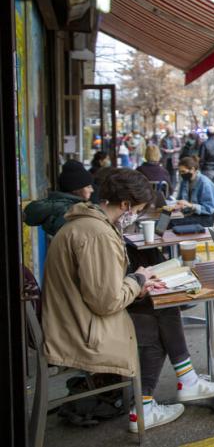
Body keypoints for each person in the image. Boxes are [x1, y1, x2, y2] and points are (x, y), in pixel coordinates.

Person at [40, 169, 171, 430]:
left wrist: (136, 282)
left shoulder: (86, 223)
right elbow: (106, 302)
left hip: (72, 318)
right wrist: (138, 281)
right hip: (80, 331)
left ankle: (178, 385)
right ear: (125, 205)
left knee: (164, 314)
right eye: (138, 210)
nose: (135, 216)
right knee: (160, 327)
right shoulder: (98, 234)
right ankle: (143, 409)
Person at [24, 160, 95, 237]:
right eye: (88, 187)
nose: (92, 190)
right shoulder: (71, 211)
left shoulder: (60, 205)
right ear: (76, 189)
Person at [173, 156, 214, 226]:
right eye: (180, 172)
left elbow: (209, 209)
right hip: (190, 213)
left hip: (206, 217)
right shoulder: (185, 181)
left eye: (183, 171)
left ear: (192, 169)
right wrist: (178, 205)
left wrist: (190, 205)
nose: (181, 174)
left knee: (173, 223)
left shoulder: (205, 183)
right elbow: (180, 199)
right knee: (167, 220)